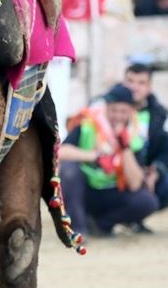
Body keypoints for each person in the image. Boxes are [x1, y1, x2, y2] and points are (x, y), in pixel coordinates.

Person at [58, 84, 160, 237]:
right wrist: (94, 156)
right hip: (87, 189)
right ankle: (78, 229)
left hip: (115, 190)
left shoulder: (136, 132)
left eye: (123, 111)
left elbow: (135, 184)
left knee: (147, 202)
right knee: (68, 170)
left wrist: (124, 146)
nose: (118, 116)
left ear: (131, 111)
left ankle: (101, 225)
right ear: (106, 108)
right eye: (114, 110)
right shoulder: (88, 122)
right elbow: (61, 152)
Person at [121, 64, 168, 231]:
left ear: (149, 87)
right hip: (112, 170)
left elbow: (166, 151)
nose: (135, 87)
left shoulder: (160, 115)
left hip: (144, 171)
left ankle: (135, 218)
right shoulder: (108, 108)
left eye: (141, 83)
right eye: (130, 81)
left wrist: (155, 171)